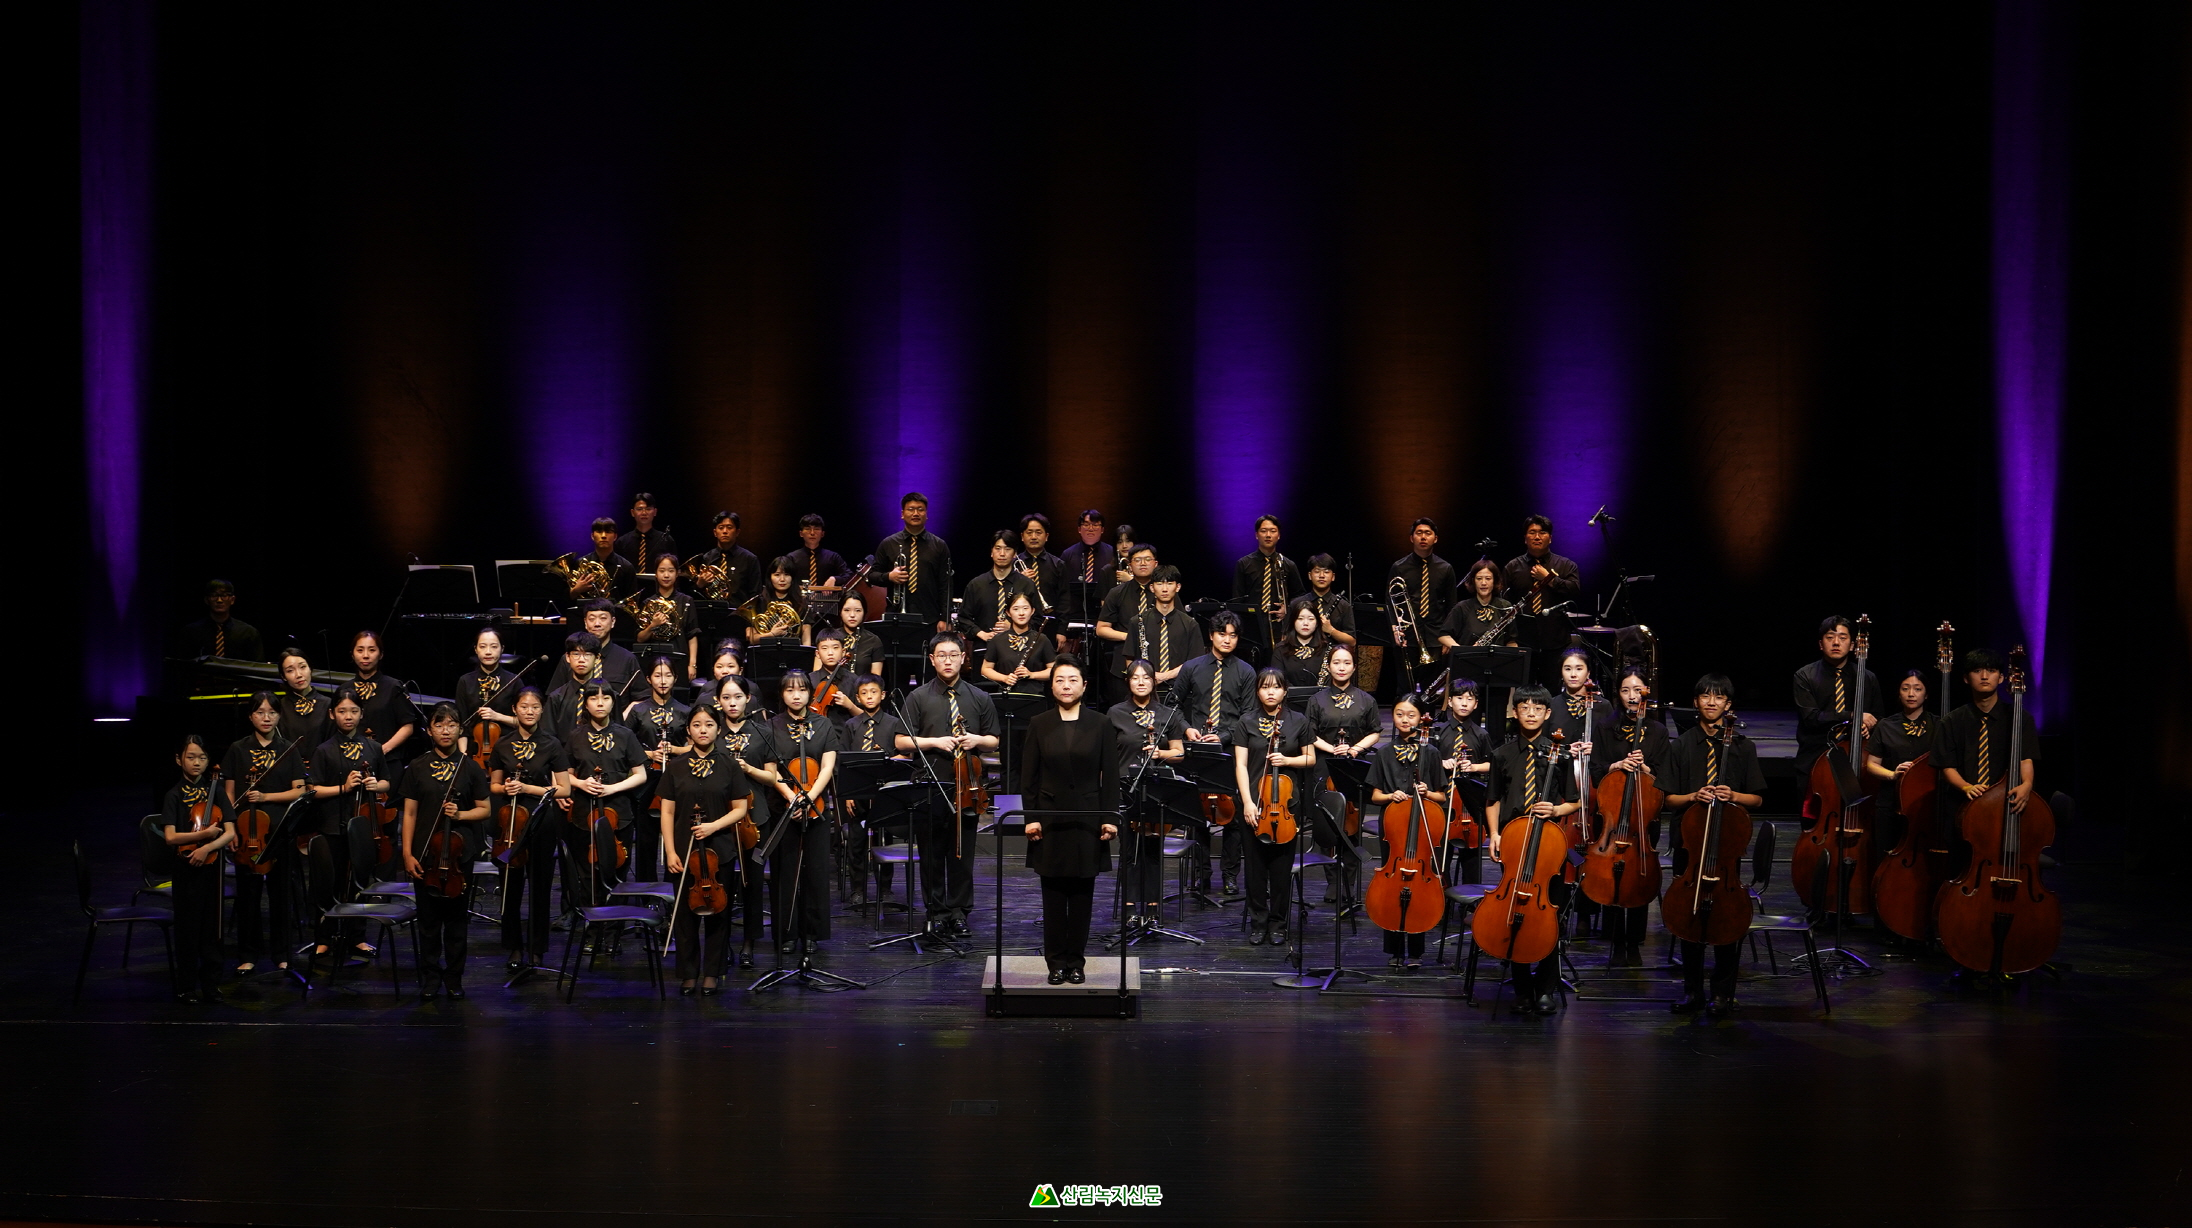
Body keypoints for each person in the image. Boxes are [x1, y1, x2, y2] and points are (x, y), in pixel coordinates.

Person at [1661, 674, 1767, 1017]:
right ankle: (1692, 991)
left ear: (1728, 704)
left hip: (1726, 847)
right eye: (1705, 696)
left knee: (1727, 918)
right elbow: (1669, 799)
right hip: (1689, 845)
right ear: (1695, 702)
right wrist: (1694, 796)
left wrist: (1733, 795)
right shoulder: (1681, 745)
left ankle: (1723, 993)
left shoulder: (1743, 747)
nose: (1711, 702)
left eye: (1718, 697)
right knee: (1688, 917)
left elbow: (1757, 799)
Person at [1021, 657, 1121, 983]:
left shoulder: (1101, 723)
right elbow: (1029, 777)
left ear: (1084, 685)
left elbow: (1111, 776)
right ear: (1052, 686)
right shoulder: (1039, 723)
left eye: (1073, 680)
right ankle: (1055, 963)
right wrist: (1031, 818)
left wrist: (1110, 817)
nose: (1066, 686)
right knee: (1052, 895)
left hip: (1088, 818)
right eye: (1060, 680)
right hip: (1049, 820)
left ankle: (1076, 962)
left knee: (1081, 895)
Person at [1484, 685, 1582, 1015]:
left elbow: (1574, 802)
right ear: (1515, 712)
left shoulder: (1561, 753)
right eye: (1524, 707)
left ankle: (1546, 988)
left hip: (1548, 845)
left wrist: (1555, 810)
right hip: (1513, 840)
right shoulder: (1502, 754)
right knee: (1516, 914)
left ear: (1547, 713)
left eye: (1537, 708)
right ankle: (1522, 989)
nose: (1530, 713)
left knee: (1547, 915)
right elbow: (1493, 799)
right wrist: (1494, 834)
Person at [896, 633, 1000, 941]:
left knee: (962, 855)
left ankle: (959, 913)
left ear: (963, 658)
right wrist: (934, 742)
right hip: (930, 785)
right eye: (941, 655)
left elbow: (993, 740)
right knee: (931, 855)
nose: (948, 660)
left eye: (954, 654)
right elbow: (901, 741)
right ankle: (936, 913)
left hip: (968, 787)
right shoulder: (918, 697)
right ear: (932, 659)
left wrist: (976, 740)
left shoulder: (979, 697)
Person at [398, 704, 492, 999]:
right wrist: (407, 853)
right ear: (430, 731)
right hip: (424, 854)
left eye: (451, 725)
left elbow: (485, 809)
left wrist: (460, 814)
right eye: (439, 725)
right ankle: (430, 977)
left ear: (460, 729)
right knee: (427, 921)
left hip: (459, 856)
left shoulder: (470, 767)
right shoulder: (417, 766)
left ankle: (454, 977)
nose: (446, 731)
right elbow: (409, 813)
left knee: (456, 921)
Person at [660, 700, 753, 995]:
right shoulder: (675, 767)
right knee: (685, 915)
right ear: (688, 730)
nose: (703, 730)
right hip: (683, 850)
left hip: (720, 849)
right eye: (697, 725)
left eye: (709, 725)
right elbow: (667, 812)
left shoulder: (729, 765)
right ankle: (688, 973)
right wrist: (670, 851)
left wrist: (713, 826)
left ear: (718, 729)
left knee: (719, 913)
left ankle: (712, 972)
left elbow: (740, 808)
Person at [220, 693, 307, 975]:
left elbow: (299, 790)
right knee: (248, 895)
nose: (266, 718)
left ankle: (282, 953)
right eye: (260, 712)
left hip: (280, 831)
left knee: (281, 895)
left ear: (279, 716)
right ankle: (248, 953)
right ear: (250, 716)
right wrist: (230, 828)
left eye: (272, 712)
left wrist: (266, 796)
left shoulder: (288, 749)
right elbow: (229, 793)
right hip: (247, 833)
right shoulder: (238, 749)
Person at [1588, 668, 1670, 962]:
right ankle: (1614, 939)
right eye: (1625, 690)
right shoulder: (1604, 727)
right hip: (1611, 817)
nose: (1632, 696)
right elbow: (1595, 771)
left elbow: (1666, 777)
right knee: (1608, 874)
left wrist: (1645, 769)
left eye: (1637, 690)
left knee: (1639, 875)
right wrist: (1617, 765)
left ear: (1646, 692)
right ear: (1618, 694)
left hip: (1642, 818)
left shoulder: (1658, 731)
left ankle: (1634, 941)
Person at [488, 686, 571, 972]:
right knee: (510, 887)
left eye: (535, 706)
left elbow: (564, 789)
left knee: (540, 886)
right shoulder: (502, 744)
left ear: (541, 710)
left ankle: (537, 949)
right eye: (524, 706)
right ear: (514, 709)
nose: (530, 711)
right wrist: (506, 788)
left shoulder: (551, 743)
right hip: (509, 821)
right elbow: (493, 785)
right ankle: (513, 946)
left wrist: (528, 788)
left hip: (541, 819)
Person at [1174, 611, 1257, 895]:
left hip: (1231, 750)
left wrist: (1222, 736)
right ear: (1211, 636)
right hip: (1197, 750)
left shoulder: (1246, 672)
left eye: (1233, 635)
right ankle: (1202, 875)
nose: (1227, 640)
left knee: (1232, 815)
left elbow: (1248, 715)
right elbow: (1173, 705)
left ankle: (1230, 875)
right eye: (1222, 634)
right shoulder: (1192, 667)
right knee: (1199, 815)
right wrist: (1187, 729)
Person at [1234, 668, 1316, 947]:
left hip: (1285, 805)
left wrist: (1287, 761)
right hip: (1254, 803)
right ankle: (1258, 923)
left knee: (1281, 870)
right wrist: (1247, 801)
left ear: (1285, 691)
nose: (1271, 692)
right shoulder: (1246, 721)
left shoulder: (1298, 721)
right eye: (1265, 687)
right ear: (1257, 691)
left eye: (1276, 687)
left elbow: (1310, 758)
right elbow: (1241, 765)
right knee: (1255, 870)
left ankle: (1278, 924)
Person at [305, 689, 388, 964]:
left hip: (364, 826)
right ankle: (324, 938)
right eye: (342, 711)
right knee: (330, 882)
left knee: (359, 883)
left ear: (362, 713)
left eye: (353, 711)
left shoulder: (373, 748)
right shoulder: (324, 750)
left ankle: (356, 936)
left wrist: (376, 784)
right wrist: (343, 787)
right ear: (332, 714)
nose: (348, 716)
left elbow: (387, 782)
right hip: (332, 824)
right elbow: (313, 790)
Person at [760, 671, 840, 955]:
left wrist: (809, 797)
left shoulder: (823, 724)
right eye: (790, 690)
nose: (796, 695)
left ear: (810, 693)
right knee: (785, 871)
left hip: (816, 808)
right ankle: (787, 933)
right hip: (783, 807)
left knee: (815, 872)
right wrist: (793, 798)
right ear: (782, 694)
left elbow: (827, 766)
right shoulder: (771, 726)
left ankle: (811, 933)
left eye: (802, 690)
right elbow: (771, 770)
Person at [1368, 693, 1448, 967]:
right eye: (1399, 714)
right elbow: (1375, 795)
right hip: (1393, 829)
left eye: (1411, 715)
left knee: (1419, 887)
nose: (1404, 719)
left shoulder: (1431, 753)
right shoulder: (1384, 753)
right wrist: (1391, 796)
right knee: (1392, 887)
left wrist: (1427, 792)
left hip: (1422, 828)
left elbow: (1442, 796)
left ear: (1421, 718)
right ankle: (1394, 950)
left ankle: (1415, 951)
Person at [1109, 659, 1186, 920]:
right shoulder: (1115, 713)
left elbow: (1179, 753)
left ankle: (1153, 907)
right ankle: (1130, 908)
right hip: (1125, 788)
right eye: (1135, 677)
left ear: (1154, 682)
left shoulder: (1167, 714)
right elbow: (1107, 755)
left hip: (1155, 790)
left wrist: (1161, 753)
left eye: (1146, 677)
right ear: (1128, 682)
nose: (1141, 682)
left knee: (1153, 850)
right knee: (1129, 851)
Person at [1304, 643, 1380, 900]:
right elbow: (1309, 733)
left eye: (1347, 663)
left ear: (1354, 667)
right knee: (1328, 826)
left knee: (1352, 826)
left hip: (1354, 766)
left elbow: (1375, 732)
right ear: (1329, 666)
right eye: (1336, 662)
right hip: (1326, 764)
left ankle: (1349, 881)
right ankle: (1332, 882)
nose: (1341, 667)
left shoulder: (1366, 700)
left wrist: (1355, 749)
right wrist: (1332, 749)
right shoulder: (1317, 700)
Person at [562, 682, 649, 908]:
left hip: (619, 813)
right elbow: (565, 776)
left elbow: (641, 775)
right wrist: (581, 783)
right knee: (586, 874)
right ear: (586, 704)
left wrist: (613, 788)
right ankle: (590, 922)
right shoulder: (575, 736)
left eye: (606, 698)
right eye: (594, 698)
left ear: (613, 702)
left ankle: (615, 925)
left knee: (617, 872)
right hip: (584, 813)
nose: (600, 703)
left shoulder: (625, 735)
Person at [161, 735, 233, 1002]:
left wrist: (207, 848)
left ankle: (211, 984)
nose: (197, 763)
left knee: (212, 928)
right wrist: (201, 837)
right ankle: (186, 986)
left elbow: (230, 832)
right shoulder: (173, 795)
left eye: (202, 758)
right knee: (188, 928)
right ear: (179, 759)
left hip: (212, 868)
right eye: (191, 757)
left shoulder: (217, 791)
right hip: (185, 869)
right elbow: (171, 837)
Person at [1937, 647, 2039, 816]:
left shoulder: (2021, 719)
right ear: (1966, 678)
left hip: (2007, 802)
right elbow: (1947, 766)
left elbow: (2025, 758)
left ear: (2001, 678)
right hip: (1963, 805)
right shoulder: (1951, 721)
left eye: (1991, 671)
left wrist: (2027, 785)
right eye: (1977, 671)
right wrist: (1966, 787)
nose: (1984, 676)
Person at [716, 678, 775, 966]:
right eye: (726, 697)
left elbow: (772, 777)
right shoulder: (713, 732)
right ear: (719, 701)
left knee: (752, 882)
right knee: (722, 881)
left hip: (756, 816)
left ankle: (749, 943)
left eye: (738, 697)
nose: (733, 703)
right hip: (721, 816)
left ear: (748, 698)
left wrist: (748, 768)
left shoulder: (763, 732)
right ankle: (721, 941)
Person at [840, 675, 908, 900]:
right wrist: (848, 794)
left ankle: (885, 889)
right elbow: (844, 761)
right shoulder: (851, 725)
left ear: (883, 695)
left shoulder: (894, 723)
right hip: (858, 792)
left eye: (874, 692)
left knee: (884, 839)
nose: (869, 696)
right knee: (857, 842)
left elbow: (904, 755)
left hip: (884, 794)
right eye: (864, 693)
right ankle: (857, 889)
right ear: (857, 698)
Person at [625, 654, 692, 880]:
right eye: (657, 675)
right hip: (647, 780)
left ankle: (673, 888)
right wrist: (650, 754)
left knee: (675, 835)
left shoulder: (685, 711)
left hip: (677, 779)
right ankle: (646, 891)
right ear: (648, 679)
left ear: (675, 678)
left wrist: (674, 749)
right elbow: (625, 745)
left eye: (668, 675)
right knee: (646, 838)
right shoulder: (638, 710)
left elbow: (695, 747)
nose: (663, 681)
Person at [1866, 671, 1940, 859]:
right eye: (1905, 689)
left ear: (1926, 694)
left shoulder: (1939, 725)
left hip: (1927, 803)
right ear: (1899, 693)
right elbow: (1872, 764)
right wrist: (1892, 774)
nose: (1911, 694)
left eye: (1917, 689)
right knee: (1885, 856)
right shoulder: (1885, 725)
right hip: (1890, 802)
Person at [1503, 515, 1582, 689]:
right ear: (1525, 538)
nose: (1537, 537)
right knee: (1523, 692)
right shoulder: (1512, 567)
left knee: (1553, 692)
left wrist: (1549, 579)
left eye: (1542, 532)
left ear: (1550, 538)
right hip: (1523, 642)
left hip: (1555, 641)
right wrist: (1510, 639)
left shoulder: (1565, 565)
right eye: (1532, 532)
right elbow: (1505, 605)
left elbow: (1574, 590)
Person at [1433, 679, 1492, 883]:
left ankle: (1470, 898)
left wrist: (1474, 767)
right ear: (1450, 701)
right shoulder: (1438, 732)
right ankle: (1442, 896)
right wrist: (1441, 763)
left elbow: (1492, 765)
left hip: (1470, 806)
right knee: (1441, 859)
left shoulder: (1481, 734)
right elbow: (1427, 764)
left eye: (1470, 699)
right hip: (1443, 803)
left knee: (1471, 859)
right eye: (1459, 698)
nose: (1464, 703)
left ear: (1476, 704)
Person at [1092, 542, 1159, 708]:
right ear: (1130, 564)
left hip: (1159, 661)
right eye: (1137, 560)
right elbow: (1101, 629)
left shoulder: (1164, 591)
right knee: (1123, 712)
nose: (1143, 564)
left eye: (1147, 559)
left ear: (1155, 564)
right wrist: (1131, 637)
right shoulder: (1116, 593)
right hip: (1122, 662)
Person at [1390, 519, 1457, 680]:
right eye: (1419, 533)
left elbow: (1451, 605)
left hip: (1436, 636)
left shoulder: (1446, 568)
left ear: (1435, 538)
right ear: (1411, 538)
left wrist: (1447, 637)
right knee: (1405, 685)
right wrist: (1394, 629)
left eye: (1428, 533)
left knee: (1433, 687)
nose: (1423, 537)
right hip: (1407, 636)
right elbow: (1390, 601)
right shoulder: (1399, 567)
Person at [1232, 515, 1303, 662]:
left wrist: (1288, 609)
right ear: (1256, 535)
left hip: (1279, 626)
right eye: (1263, 531)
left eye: (1273, 531)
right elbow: (1236, 599)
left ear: (1279, 535)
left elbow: (1300, 596)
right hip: (1251, 626)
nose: (1268, 535)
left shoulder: (1288, 565)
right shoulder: (1244, 564)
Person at [879, 491, 953, 631]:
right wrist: (889, 576)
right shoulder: (888, 543)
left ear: (926, 514)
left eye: (920, 509)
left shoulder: (939, 545)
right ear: (902, 514)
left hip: (930, 617)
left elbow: (946, 585)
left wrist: (945, 618)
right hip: (896, 615)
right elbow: (873, 575)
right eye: (911, 509)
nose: (916, 513)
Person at [959, 530, 1042, 647]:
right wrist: (982, 634)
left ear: (1015, 554)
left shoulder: (1026, 584)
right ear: (991, 552)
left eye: (1007, 549)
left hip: (1018, 648)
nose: (1002, 554)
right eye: (998, 548)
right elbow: (963, 618)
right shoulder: (976, 584)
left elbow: (1038, 620)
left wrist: (1014, 627)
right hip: (984, 648)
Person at [347, 630, 418, 760]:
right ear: (352, 654)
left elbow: (408, 726)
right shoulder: (345, 689)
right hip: (352, 760)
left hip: (388, 760)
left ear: (381, 655)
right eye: (360, 650)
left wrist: (382, 750)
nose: (365, 655)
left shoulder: (394, 687)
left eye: (372, 650)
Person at [455, 626, 522, 763]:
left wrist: (497, 716)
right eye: (483, 646)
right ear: (476, 649)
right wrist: (463, 755)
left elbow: (523, 721)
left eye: (494, 646)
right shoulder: (465, 681)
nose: (488, 652)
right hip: (474, 750)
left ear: (502, 649)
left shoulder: (513, 681)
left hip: (509, 748)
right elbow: (461, 724)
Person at [545, 603, 641, 696]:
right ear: (585, 623)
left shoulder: (627, 658)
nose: (597, 624)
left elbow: (641, 696)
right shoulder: (571, 658)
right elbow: (554, 696)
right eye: (591, 619)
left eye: (603, 618)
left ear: (613, 622)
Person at [1134, 566, 1200, 692]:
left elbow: (1195, 662)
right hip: (1146, 690)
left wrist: (1164, 676)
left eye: (1169, 584)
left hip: (1181, 690)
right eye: (1159, 584)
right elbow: (1130, 660)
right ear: (1152, 588)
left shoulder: (1190, 624)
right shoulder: (1137, 622)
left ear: (1178, 587)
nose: (1165, 589)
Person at [631, 554, 699, 669]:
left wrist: (692, 664)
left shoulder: (686, 601)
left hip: (680, 657)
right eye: (662, 571)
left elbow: (692, 635)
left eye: (671, 571)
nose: (666, 575)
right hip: (654, 660)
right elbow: (640, 638)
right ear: (656, 574)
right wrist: (653, 625)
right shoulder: (648, 603)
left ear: (677, 573)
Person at [787, 513, 855, 629]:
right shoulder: (792, 558)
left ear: (822, 533)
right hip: (798, 609)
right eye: (807, 529)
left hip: (828, 611)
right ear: (801, 533)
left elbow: (850, 576)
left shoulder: (833, 557)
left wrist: (835, 579)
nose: (812, 533)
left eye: (816, 529)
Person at [980, 593, 1056, 695]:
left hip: (1034, 696)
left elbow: (1054, 670)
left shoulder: (1042, 639)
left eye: (1025, 608)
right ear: (1008, 613)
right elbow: (985, 669)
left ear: (1032, 611)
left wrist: (1031, 675)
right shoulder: (998, 639)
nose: (1021, 613)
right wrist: (1004, 678)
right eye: (1016, 609)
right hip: (1006, 695)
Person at [690, 510, 763, 610]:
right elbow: (696, 596)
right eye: (721, 527)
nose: (725, 531)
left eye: (729, 527)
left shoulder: (749, 559)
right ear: (715, 532)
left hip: (739, 613)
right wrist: (699, 584)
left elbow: (756, 594)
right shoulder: (706, 558)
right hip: (713, 612)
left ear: (737, 532)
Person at [177, 578, 264, 661]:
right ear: (207, 600)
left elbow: (257, 666)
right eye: (214, 595)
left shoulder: (248, 633)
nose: (219, 600)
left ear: (232, 600)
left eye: (224, 595)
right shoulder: (191, 632)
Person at [1438, 558, 1516, 651]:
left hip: (1497, 658)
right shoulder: (1462, 607)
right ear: (1473, 581)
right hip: (1469, 658)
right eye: (1479, 579)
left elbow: (1511, 641)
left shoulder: (1505, 606)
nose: (1483, 583)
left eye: (1488, 578)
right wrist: (1461, 650)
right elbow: (1443, 635)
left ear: (1494, 581)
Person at [1015, 513, 1066, 641]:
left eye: (1038, 532)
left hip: (1050, 626)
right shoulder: (1013, 564)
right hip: (1018, 625)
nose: (1033, 537)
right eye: (1029, 532)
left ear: (1046, 536)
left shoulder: (1058, 564)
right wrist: (1020, 581)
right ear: (1022, 536)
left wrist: (1062, 631)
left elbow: (1064, 600)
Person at [543, 632, 605, 737]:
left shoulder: (608, 696)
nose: (581, 660)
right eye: (576, 654)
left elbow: (618, 734)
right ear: (567, 657)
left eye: (587, 654)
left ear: (597, 658)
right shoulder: (556, 698)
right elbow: (547, 735)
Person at [273, 647, 330, 756]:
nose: (298, 675)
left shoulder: (328, 704)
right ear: (283, 676)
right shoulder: (279, 708)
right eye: (290, 670)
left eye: (303, 667)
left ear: (310, 668)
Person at [742, 557, 810, 645]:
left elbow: (806, 639)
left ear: (792, 578)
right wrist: (772, 634)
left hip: (792, 648)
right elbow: (751, 639)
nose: (782, 579)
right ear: (770, 577)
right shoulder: (759, 601)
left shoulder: (802, 602)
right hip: (765, 648)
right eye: (777, 575)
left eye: (787, 574)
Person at [616, 491, 679, 576]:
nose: (644, 513)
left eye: (648, 509)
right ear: (632, 512)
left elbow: (674, 570)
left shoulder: (666, 540)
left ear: (655, 512)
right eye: (639, 509)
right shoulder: (622, 542)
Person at [575, 517, 638, 600]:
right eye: (599, 532)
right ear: (592, 536)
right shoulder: (580, 564)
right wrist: (576, 590)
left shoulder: (626, 567)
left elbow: (632, 599)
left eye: (608, 532)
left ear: (615, 536)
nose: (604, 536)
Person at [828, 591, 887, 679]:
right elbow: (818, 675)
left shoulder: (873, 641)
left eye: (858, 610)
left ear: (864, 612)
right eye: (847, 610)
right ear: (840, 612)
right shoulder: (829, 638)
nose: (852, 615)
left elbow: (875, 679)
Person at [1301, 554, 1356, 648]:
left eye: (1326, 572)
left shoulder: (1344, 606)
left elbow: (1352, 642)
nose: (1321, 576)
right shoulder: (1297, 604)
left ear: (1333, 577)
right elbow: (1286, 637)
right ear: (1310, 575)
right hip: (1303, 655)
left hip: (1333, 655)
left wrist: (1331, 630)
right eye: (1317, 571)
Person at [808, 629, 864, 717]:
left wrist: (850, 706)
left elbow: (864, 717)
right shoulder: (810, 679)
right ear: (818, 654)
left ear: (843, 652)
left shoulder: (854, 680)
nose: (830, 653)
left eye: (835, 648)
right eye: (824, 648)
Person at [1275, 599, 1329, 690]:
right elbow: (1278, 680)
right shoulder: (1280, 649)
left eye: (1311, 619)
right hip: (1287, 697)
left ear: (1317, 623)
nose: (1305, 623)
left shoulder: (1327, 649)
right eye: (1300, 619)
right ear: (1293, 622)